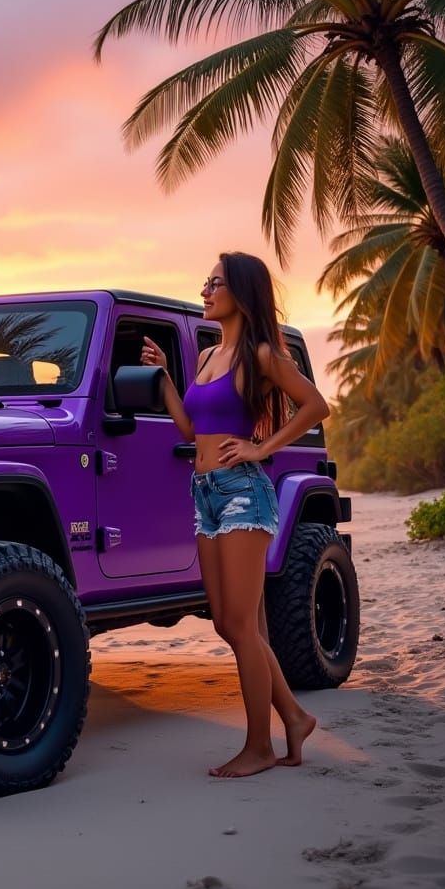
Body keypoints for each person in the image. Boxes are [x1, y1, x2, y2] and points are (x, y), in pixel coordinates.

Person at [141, 251, 328, 778]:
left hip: (244, 492)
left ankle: (260, 746)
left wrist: (262, 448)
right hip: (204, 492)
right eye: (205, 282)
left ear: (241, 293)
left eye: (215, 283)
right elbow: (189, 430)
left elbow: (316, 406)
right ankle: (294, 717)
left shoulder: (262, 354)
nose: (204, 290)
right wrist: (165, 378)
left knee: (242, 625)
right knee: (228, 622)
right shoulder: (206, 356)